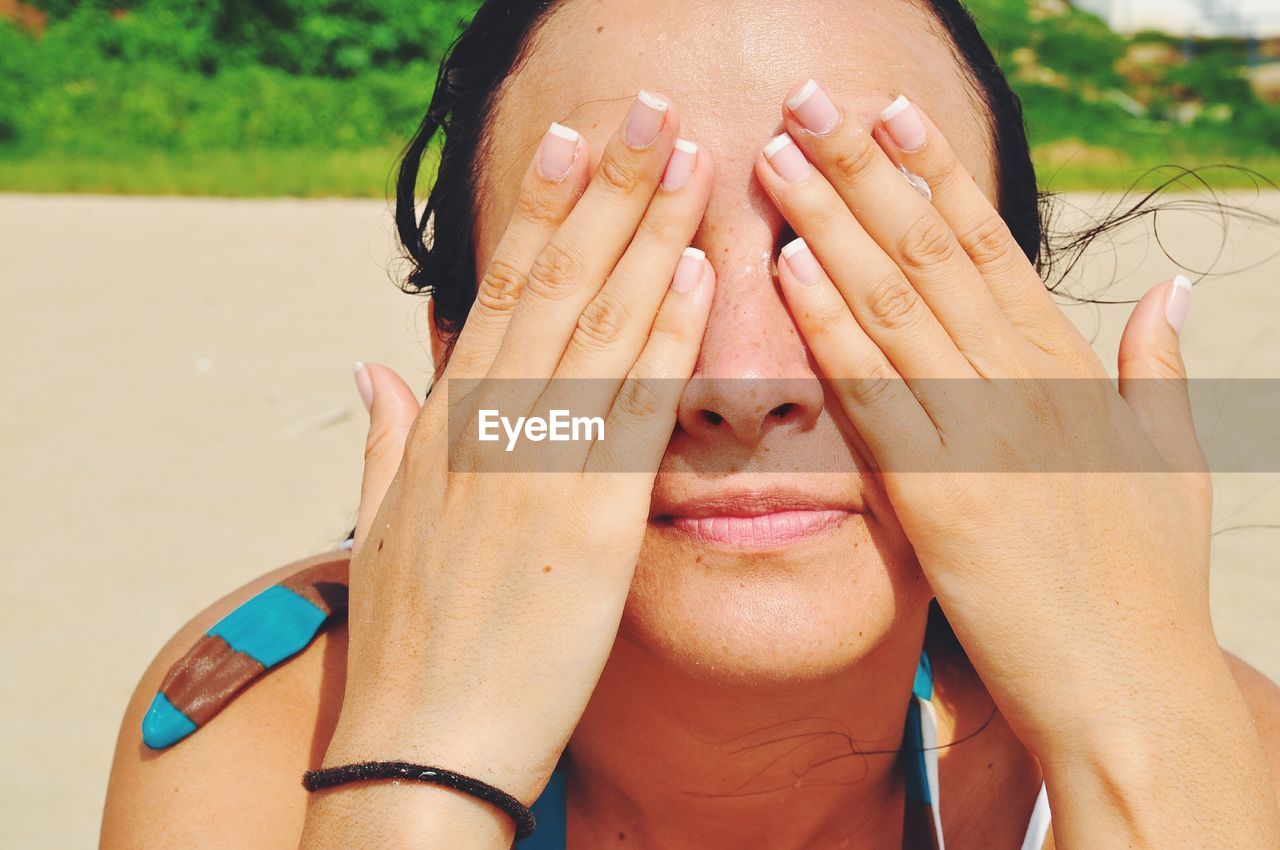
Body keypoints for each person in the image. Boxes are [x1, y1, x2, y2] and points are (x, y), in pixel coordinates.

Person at [101, 1, 1280, 847]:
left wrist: (1147, 740)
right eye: (625, 260)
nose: (743, 378)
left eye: (847, 252)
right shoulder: (265, 717)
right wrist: (419, 757)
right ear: (466, 372)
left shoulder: (1233, 752)